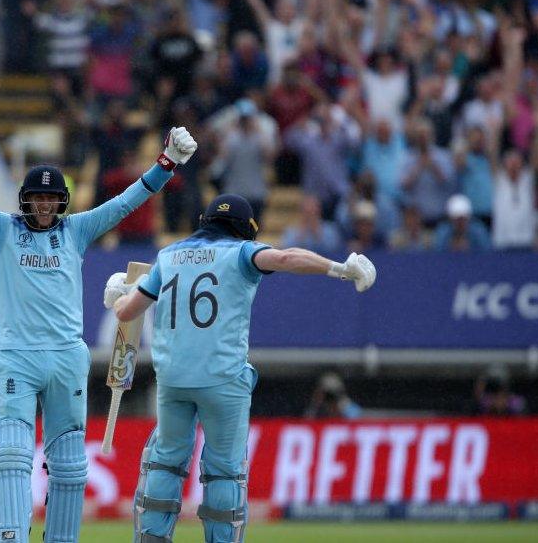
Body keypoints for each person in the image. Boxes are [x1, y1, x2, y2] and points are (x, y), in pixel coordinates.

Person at [0, 111, 197, 543]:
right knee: (12, 454)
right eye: (38, 199)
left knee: (70, 464)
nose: (45, 205)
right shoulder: (2, 230)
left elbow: (127, 202)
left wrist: (166, 163)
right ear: (26, 199)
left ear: (62, 203)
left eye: (52, 200)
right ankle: (12, 537)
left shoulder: (77, 231)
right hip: (17, 357)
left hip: (67, 358)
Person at [105, 194, 375, 543]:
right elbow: (286, 257)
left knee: (165, 462)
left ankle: (151, 538)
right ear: (244, 229)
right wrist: (340, 269)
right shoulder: (242, 252)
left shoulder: (168, 256)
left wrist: (118, 293)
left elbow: (127, 312)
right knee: (224, 473)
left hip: (172, 381)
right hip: (222, 380)